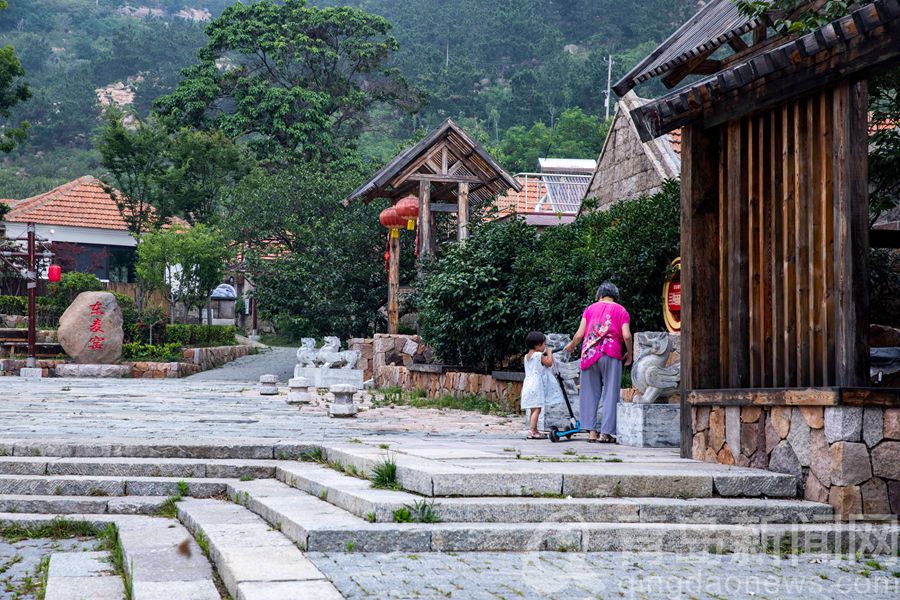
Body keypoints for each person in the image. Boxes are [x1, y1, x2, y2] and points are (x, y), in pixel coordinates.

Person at [564, 282, 632, 443]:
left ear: (599, 295)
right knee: (610, 393)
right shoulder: (621, 310)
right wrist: (630, 353)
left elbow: (580, 334)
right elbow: (627, 335)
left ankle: (591, 432)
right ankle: (605, 433)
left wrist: (571, 346)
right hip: (611, 352)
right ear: (615, 296)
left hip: (589, 353)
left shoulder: (590, 309)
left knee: (588, 393)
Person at [521, 331, 555, 440]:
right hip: (536, 385)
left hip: (528, 384)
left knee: (533, 408)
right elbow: (549, 363)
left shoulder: (526, 356)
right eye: (544, 344)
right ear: (538, 345)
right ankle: (532, 431)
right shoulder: (538, 355)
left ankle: (534, 430)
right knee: (537, 409)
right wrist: (549, 352)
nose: (545, 347)